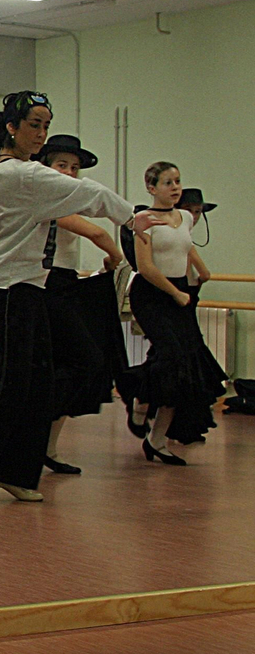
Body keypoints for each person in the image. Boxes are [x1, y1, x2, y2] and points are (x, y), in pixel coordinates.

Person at [0, 91, 149, 504]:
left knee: (38, 384)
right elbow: (90, 194)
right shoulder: (19, 175)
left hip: (25, 286)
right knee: (9, 384)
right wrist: (131, 216)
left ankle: (15, 472)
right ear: (11, 128)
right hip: (7, 290)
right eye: (34, 124)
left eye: (45, 125)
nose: (41, 134)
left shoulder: (0, 175)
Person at [37, 134, 128, 475]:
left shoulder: (66, 200)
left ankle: (48, 445)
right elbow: (97, 233)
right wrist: (116, 256)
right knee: (72, 361)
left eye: (74, 168)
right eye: (62, 165)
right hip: (45, 286)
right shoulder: (44, 199)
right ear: (45, 167)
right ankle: (36, 440)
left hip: (65, 282)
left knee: (71, 365)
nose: (70, 173)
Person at [125, 163, 228, 465]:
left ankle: (157, 440)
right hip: (153, 295)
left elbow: (184, 244)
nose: (175, 187)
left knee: (187, 364)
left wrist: (201, 267)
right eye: (167, 182)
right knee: (170, 356)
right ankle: (138, 395)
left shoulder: (184, 217)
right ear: (151, 187)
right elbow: (145, 267)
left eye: (178, 181)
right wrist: (174, 292)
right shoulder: (143, 220)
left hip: (180, 293)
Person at [163, 188, 221, 444]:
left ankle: (181, 423)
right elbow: (200, 270)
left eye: (198, 213)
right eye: (191, 211)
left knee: (188, 361)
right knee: (182, 360)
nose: (194, 217)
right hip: (176, 299)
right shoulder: (177, 233)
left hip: (185, 297)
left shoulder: (183, 233)